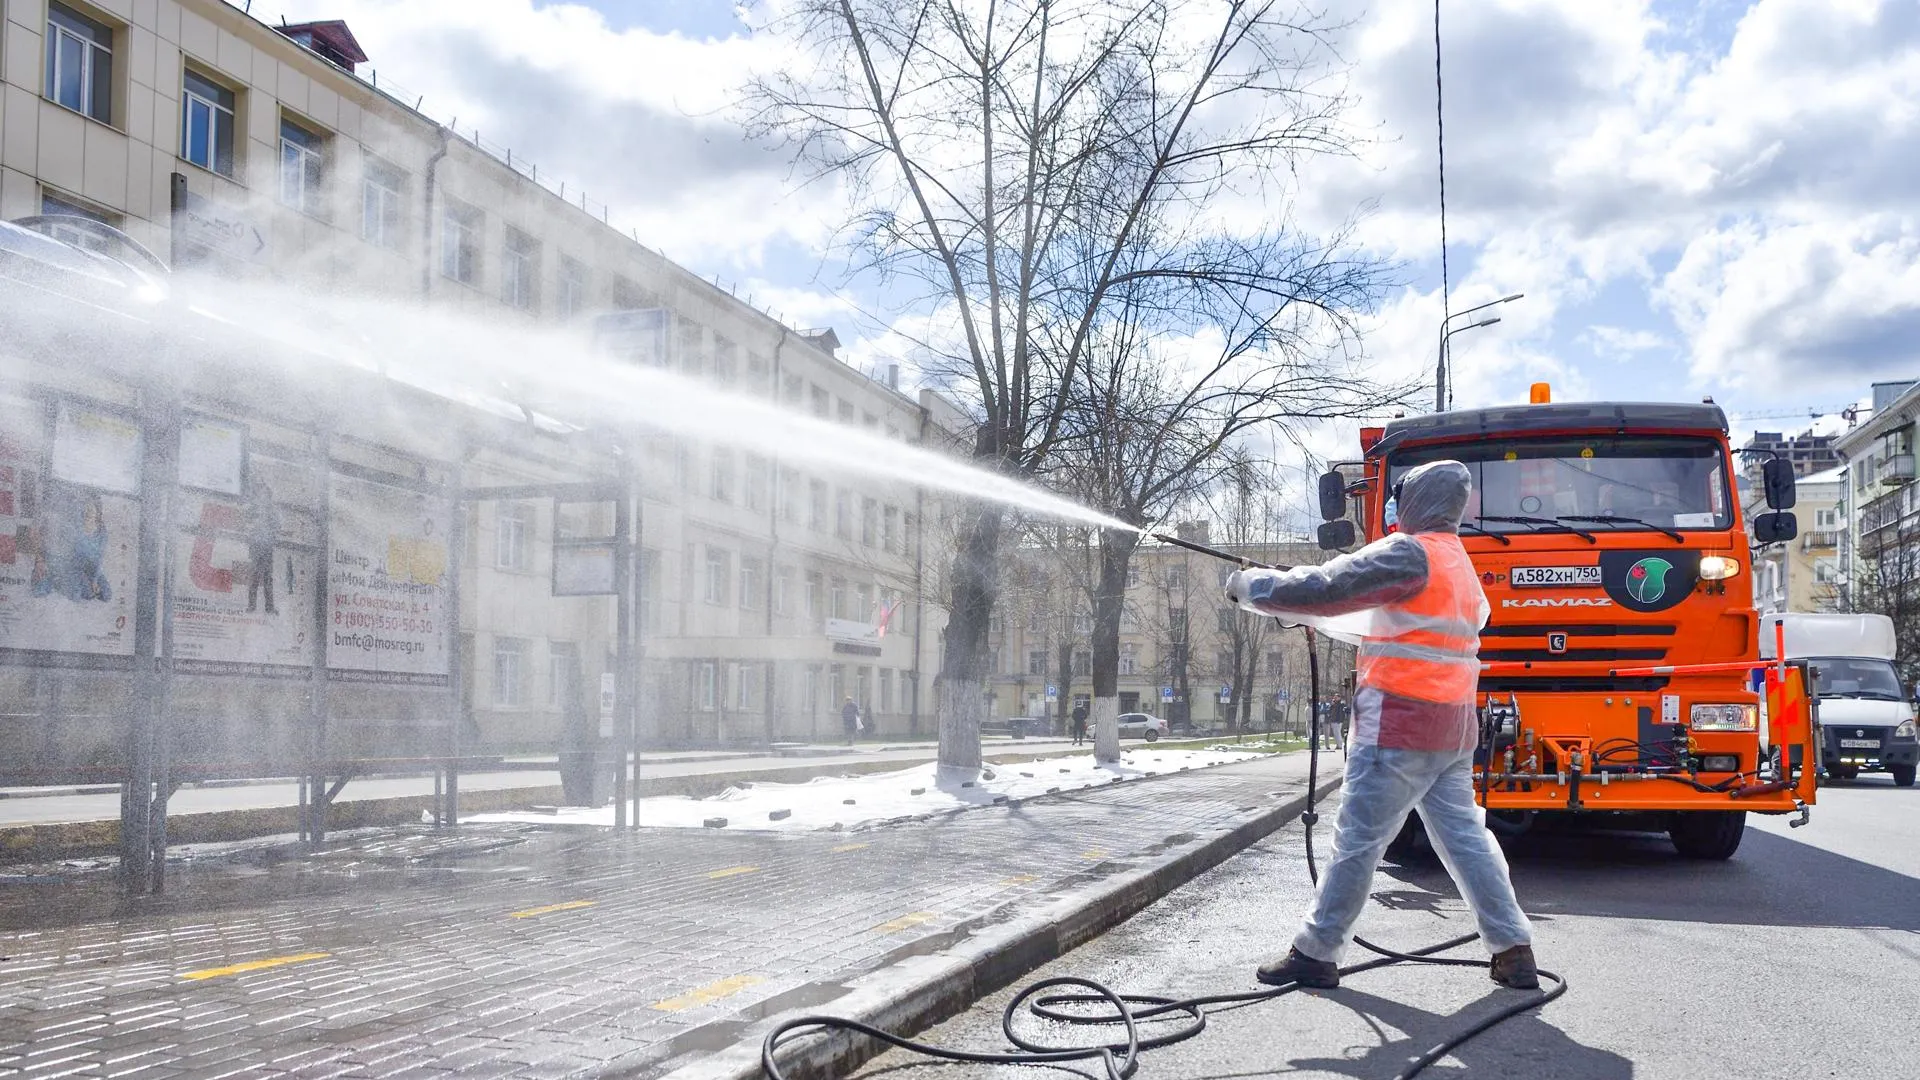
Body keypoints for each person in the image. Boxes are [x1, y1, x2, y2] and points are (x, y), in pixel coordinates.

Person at [1225, 460, 1538, 992]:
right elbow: (1383, 621)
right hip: (1454, 728)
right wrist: (1296, 604)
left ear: (1416, 501)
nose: (1395, 506)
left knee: (1357, 841)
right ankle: (1514, 950)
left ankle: (1316, 952)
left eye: (1401, 496)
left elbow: (1327, 586)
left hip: (1398, 723)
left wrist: (1252, 586)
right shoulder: (1457, 563)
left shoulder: (1408, 552)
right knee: (1466, 839)